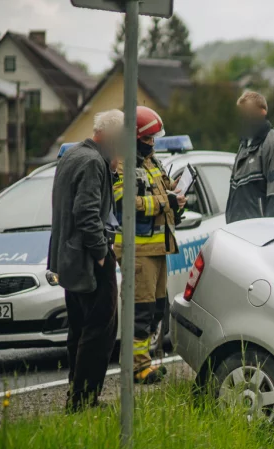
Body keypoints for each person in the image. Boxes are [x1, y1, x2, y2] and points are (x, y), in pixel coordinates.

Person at [48, 110, 124, 411]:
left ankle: (75, 393)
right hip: (90, 259)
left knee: (78, 328)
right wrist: (102, 254)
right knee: (100, 329)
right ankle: (84, 398)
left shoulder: (71, 155)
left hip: (68, 258)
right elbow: (87, 213)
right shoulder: (94, 162)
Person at [112, 106, 186, 385]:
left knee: (156, 309)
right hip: (137, 249)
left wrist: (178, 196)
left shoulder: (151, 162)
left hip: (158, 248)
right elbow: (124, 203)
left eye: (155, 138)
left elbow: (166, 189)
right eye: (148, 138)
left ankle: (145, 361)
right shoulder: (121, 164)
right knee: (140, 311)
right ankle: (136, 367)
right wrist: (165, 201)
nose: (152, 143)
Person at [225, 90, 274, 223]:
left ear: (262, 113)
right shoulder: (244, 146)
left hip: (260, 236)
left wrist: (270, 236)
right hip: (239, 235)